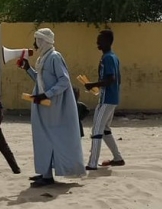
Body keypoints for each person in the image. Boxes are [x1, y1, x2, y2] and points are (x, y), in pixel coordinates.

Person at [21, 28, 85, 187]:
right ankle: (45, 172)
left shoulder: (55, 57)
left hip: (54, 107)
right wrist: (28, 68)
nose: (34, 44)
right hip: (43, 106)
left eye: (36, 40)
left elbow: (64, 81)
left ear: (43, 41)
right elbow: (40, 80)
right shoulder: (43, 59)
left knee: (50, 137)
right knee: (42, 138)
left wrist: (47, 95)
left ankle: (48, 176)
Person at [84, 29, 125, 170]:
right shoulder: (112, 57)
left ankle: (92, 163)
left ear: (107, 41)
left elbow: (111, 79)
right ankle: (118, 158)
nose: (97, 42)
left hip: (107, 99)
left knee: (97, 129)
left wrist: (93, 85)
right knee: (105, 129)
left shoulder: (108, 58)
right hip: (110, 98)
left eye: (100, 40)